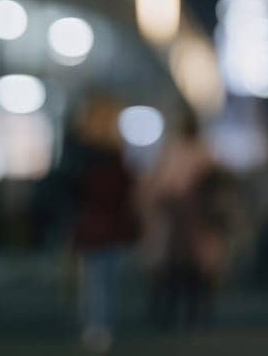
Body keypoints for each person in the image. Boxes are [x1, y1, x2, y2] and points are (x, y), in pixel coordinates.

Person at [137, 110, 229, 330]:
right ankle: (171, 312)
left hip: (193, 220)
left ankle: (189, 313)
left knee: (190, 270)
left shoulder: (199, 151)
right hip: (177, 219)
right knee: (173, 270)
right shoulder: (187, 150)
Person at [69, 96, 141, 352]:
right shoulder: (117, 157)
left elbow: (73, 191)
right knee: (108, 278)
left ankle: (96, 324)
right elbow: (128, 193)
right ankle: (102, 322)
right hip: (113, 225)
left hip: (91, 223)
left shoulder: (81, 156)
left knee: (94, 278)